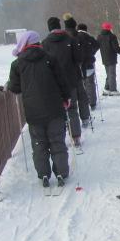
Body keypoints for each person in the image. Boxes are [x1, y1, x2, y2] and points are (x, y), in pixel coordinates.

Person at [7, 31, 70, 186]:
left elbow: (15, 88)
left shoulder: (17, 64)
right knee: (57, 141)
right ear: (37, 42)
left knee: (39, 143)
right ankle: (61, 172)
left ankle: (43, 174)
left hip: (33, 110)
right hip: (54, 108)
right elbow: (62, 81)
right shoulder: (50, 59)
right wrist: (66, 98)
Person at [42, 16, 87, 147]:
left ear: (49, 28)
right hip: (71, 79)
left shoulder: (45, 43)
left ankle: (59, 139)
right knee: (72, 108)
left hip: (54, 82)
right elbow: (79, 58)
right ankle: (76, 137)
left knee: (58, 111)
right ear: (60, 26)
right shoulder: (70, 39)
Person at [76, 23, 100, 111]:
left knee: (82, 84)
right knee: (90, 83)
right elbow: (97, 44)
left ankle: (84, 102)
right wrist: (92, 52)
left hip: (79, 64)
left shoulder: (75, 37)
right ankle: (92, 102)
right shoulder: (89, 37)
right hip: (89, 63)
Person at [97, 22, 120, 95]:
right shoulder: (112, 36)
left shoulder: (99, 36)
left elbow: (96, 46)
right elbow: (116, 48)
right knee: (112, 74)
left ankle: (107, 88)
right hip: (111, 57)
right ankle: (113, 89)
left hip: (104, 57)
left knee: (108, 73)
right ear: (110, 28)